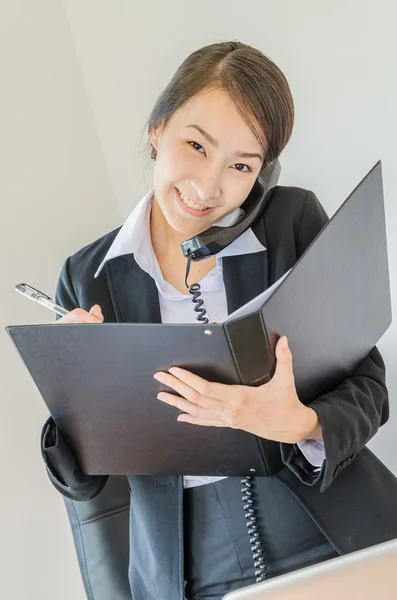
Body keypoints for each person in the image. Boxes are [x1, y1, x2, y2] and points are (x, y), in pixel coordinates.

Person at [41, 40, 397, 600]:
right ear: (157, 129)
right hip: (188, 565)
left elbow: (370, 389)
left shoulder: (291, 222)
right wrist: (75, 388)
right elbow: (81, 483)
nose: (208, 188)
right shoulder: (88, 276)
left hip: (331, 529)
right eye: (195, 145)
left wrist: (298, 422)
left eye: (240, 165)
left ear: (263, 172)